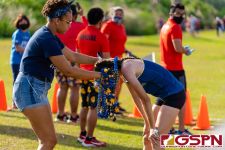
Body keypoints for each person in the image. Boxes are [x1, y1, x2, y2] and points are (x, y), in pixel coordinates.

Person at [12, 0, 101, 149]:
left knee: (47, 141)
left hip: (34, 89)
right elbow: (69, 70)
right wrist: (100, 76)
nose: (70, 25)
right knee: (49, 141)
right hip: (29, 89)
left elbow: (73, 56)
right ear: (56, 19)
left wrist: (100, 60)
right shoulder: (46, 38)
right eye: (68, 22)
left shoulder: (50, 35)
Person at [95, 57, 186, 150]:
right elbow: (136, 99)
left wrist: (152, 127)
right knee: (146, 137)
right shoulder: (122, 70)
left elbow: (145, 100)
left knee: (156, 138)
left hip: (174, 94)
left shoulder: (126, 69)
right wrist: (147, 123)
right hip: (163, 95)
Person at [154, 3, 193, 135]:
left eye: (183, 14)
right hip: (176, 70)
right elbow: (177, 48)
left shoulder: (165, 25)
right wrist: (185, 50)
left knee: (161, 99)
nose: (181, 16)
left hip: (165, 68)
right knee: (181, 99)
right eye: (178, 13)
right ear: (171, 13)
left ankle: (154, 127)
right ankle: (181, 130)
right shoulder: (175, 27)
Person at [76, 7, 110, 147]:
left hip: (82, 74)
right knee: (93, 108)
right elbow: (106, 60)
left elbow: (77, 55)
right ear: (101, 20)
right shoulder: (101, 36)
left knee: (84, 106)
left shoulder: (80, 34)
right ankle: (89, 139)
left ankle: (82, 134)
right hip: (95, 76)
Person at [55, 3, 87, 123]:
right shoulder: (80, 26)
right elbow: (90, 27)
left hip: (58, 58)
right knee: (74, 88)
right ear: (74, 14)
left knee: (62, 87)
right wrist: (82, 16)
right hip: (73, 60)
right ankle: (73, 116)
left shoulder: (57, 26)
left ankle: (60, 115)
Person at [101, 6, 127, 113]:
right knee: (112, 82)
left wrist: (126, 50)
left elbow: (119, 42)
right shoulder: (107, 26)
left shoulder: (121, 27)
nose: (118, 15)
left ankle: (115, 103)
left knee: (119, 82)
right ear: (112, 14)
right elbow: (103, 42)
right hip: (110, 59)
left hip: (120, 58)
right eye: (117, 13)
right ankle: (109, 105)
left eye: (121, 14)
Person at [10, 14, 30, 110]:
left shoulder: (28, 33)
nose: (23, 22)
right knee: (16, 82)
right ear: (18, 23)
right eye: (21, 21)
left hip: (24, 61)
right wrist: (28, 50)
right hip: (16, 61)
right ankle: (14, 103)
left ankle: (21, 102)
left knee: (23, 82)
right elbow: (17, 48)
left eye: (24, 20)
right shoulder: (17, 33)